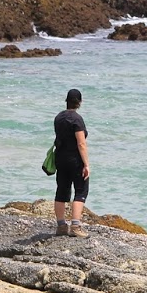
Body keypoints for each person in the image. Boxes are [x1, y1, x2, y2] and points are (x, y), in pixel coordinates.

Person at [52, 88, 90, 237]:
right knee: (81, 190)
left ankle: (61, 226)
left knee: (62, 190)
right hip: (75, 160)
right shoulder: (77, 119)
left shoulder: (58, 117)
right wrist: (86, 164)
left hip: (60, 159)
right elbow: (81, 143)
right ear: (79, 102)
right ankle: (75, 226)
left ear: (66, 101)